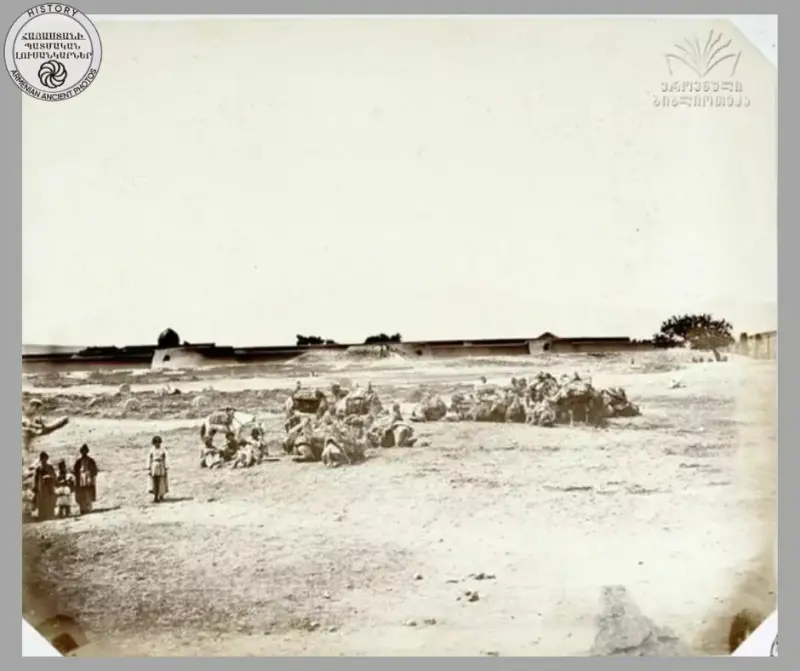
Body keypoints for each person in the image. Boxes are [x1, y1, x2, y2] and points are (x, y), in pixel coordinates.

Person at [73, 444, 99, 515]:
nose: (84, 453)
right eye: (82, 451)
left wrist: (90, 475)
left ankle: (88, 508)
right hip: (81, 481)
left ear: (87, 452)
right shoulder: (78, 462)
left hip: (88, 481)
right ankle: (82, 509)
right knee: (81, 494)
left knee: (88, 494)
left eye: (85, 451)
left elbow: (95, 470)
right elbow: (75, 471)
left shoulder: (91, 461)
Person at [33, 451, 57, 521]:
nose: (43, 460)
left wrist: (49, 476)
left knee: (49, 499)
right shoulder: (38, 469)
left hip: (49, 485)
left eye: (45, 458)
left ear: (47, 459)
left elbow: (54, 475)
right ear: (40, 459)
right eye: (42, 459)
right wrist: (35, 486)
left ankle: (50, 514)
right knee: (41, 500)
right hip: (41, 486)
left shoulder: (50, 467)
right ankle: (42, 515)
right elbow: (36, 478)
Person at [148, 435, 169, 503]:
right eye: (155, 442)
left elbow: (165, 459)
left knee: (161, 481)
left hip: (161, 465)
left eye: (158, 442)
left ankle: (161, 495)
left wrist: (166, 467)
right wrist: (149, 467)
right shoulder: (151, 450)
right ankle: (155, 496)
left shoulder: (163, 450)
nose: (157, 444)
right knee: (154, 481)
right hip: (154, 465)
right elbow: (149, 459)